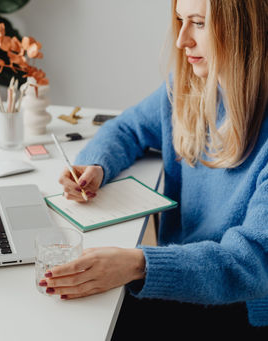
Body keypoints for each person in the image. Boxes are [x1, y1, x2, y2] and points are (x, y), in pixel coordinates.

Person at [38, 0, 268, 337]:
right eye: (180, 20)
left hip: (238, 304)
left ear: (246, 29)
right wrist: (96, 165)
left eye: (198, 23)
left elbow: (249, 262)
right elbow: (128, 127)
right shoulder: (190, 87)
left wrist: (138, 263)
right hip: (183, 276)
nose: (182, 39)